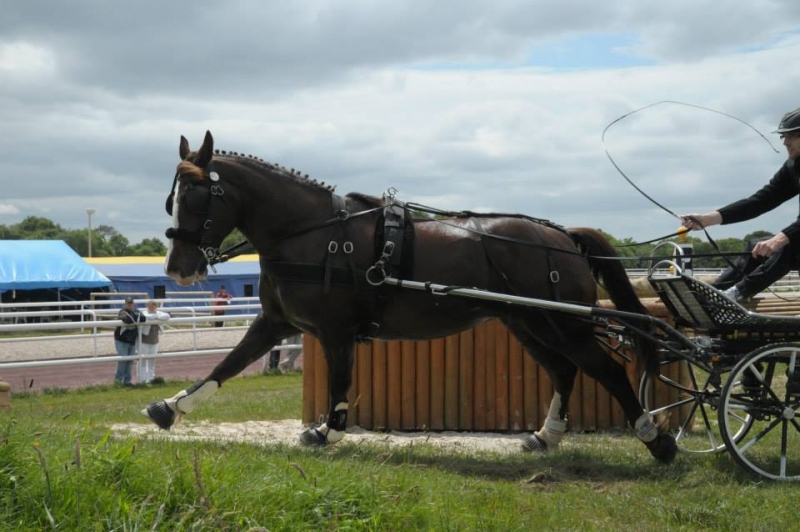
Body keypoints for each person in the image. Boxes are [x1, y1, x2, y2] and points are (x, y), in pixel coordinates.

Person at [681, 106, 800, 303]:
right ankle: (709, 296)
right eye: (783, 136)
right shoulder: (794, 166)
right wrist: (708, 219)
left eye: (792, 135)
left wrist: (780, 238)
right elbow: (760, 201)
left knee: (788, 245)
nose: (785, 142)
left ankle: (735, 295)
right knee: (755, 246)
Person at [114, 297, 146, 386]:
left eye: (131, 303)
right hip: (122, 340)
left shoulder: (137, 311)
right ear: (125, 304)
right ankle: (118, 380)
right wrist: (135, 317)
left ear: (133, 304)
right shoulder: (122, 311)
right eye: (128, 303)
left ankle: (127, 381)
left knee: (130, 361)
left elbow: (143, 318)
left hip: (132, 340)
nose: (130, 304)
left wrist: (134, 317)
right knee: (123, 360)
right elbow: (126, 319)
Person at [138, 300, 171, 384]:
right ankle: (142, 380)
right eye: (149, 307)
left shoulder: (159, 313)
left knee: (152, 360)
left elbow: (167, 316)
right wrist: (155, 316)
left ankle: (151, 379)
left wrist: (155, 316)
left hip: (155, 341)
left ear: (156, 307)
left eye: (153, 307)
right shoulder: (143, 313)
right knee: (142, 360)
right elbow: (145, 317)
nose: (151, 308)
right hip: (144, 340)